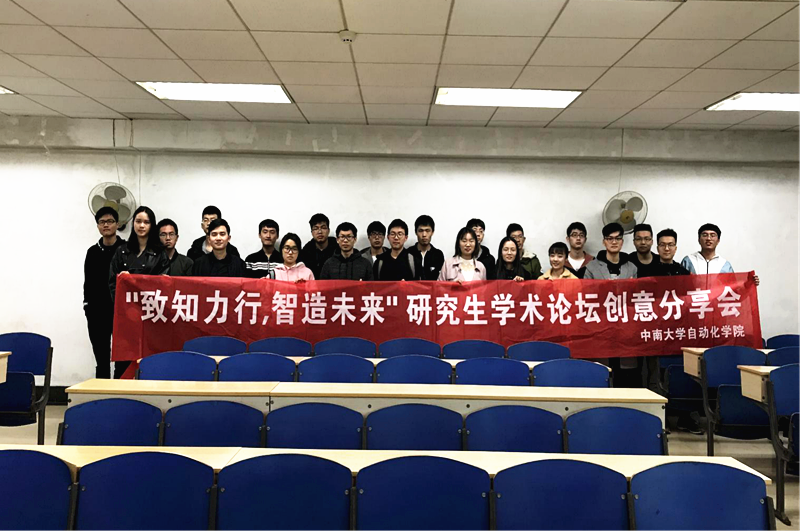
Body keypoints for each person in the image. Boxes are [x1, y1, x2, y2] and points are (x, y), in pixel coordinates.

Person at [108, 206, 170, 378]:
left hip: (151, 317)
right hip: (126, 318)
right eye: (138, 221)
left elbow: (164, 286)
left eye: (146, 222)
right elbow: (112, 283)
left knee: (150, 361)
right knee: (124, 361)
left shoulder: (160, 253)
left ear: (152, 225)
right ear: (133, 223)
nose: (142, 226)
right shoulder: (121, 251)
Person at [84, 206, 126, 379]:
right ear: (98, 226)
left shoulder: (126, 250)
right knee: (101, 358)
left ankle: (120, 391)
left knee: (122, 358)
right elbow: (88, 282)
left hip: (122, 312)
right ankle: (102, 391)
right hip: (97, 312)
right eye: (102, 222)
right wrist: (87, 305)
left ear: (117, 224)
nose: (106, 225)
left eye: (110, 221)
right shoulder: (92, 252)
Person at [681, 223, 760, 285]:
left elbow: (733, 287)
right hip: (694, 300)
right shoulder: (688, 261)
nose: (708, 238)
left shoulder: (725, 265)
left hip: (717, 301)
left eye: (713, 235)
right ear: (699, 239)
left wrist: (749, 283)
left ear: (718, 240)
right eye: (705, 235)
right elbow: (680, 285)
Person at [299, 213, 339, 279]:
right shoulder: (306, 251)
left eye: (323, 228)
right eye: (316, 228)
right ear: (312, 232)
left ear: (328, 231)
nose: (320, 232)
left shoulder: (338, 248)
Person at [408, 214, 445, 281]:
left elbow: (442, 279)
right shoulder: (409, 253)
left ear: (432, 232)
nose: (424, 235)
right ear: (416, 232)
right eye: (420, 231)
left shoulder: (438, 255)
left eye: (427, 231)